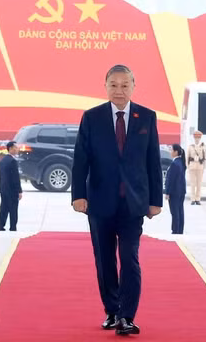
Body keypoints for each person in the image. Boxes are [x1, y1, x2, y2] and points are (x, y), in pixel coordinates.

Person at [71, 64, 163, 336]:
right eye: (114, 85)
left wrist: (155, 200)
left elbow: (153, 162)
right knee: (105, 259)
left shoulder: (146, 117)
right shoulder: (92, 117)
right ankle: (112, 310)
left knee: (129, 257)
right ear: (105, 86)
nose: (119, 90)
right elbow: (81, 160)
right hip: (99, 203)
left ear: (133, 86)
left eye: (125, 85)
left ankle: (127, 316)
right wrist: (78, 195)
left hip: (133, 204)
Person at [0, 141, 22, 231]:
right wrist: (19, 191)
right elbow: (15, 178)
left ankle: (1, 226)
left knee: (3, 208)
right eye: (16, 147)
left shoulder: (2, 160)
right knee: (13, 209)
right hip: (11, 190)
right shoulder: (12, 161)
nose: (17, 149)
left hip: (3, 189)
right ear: (11, 149)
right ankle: (13, 227)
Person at [165, 144, 186, 234]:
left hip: (174, 191)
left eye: (171, 150)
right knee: (180, 210)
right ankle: (180, 229)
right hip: (181, 190)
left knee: (175, 212)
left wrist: (167, 192)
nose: (170, 152)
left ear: (176, 152)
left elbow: (171, 179)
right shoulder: (181, 162)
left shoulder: (174, 164)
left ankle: (175, 230)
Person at [187, 130, 206, 205]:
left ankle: (198, 199)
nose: (197, 139)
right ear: (194, 138)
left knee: (199, 184)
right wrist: (187, 166)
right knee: (192, 184)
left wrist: (204, 166)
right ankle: (192, 199)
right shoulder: (190, 147)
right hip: (192, 166)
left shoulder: (203, 147)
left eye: (198, 138)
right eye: (196, 138)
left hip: (200, 166)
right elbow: (187, 157)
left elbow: (205, 157)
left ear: (200, 138)